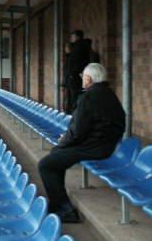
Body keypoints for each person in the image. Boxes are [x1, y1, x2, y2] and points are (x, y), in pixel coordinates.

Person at [38, 63, 125, 223]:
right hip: (105, 145)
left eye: (83, 77)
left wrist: (63, 140)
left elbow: (77, 131)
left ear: (89, 79)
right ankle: (58, 204)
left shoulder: (88, 97)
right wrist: (65, 142)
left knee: (45, 164)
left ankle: (66, 210)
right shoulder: (110, 94)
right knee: (56, 156)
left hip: (93, 148)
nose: (82, 80)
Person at [65, 30, 91, 114]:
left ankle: (73, 115)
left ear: (77, 37)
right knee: (73, 97)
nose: (71, 38)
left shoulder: (79, 47)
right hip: (76, 77)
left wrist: (73, 75)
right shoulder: (78, 47)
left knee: (74, 97)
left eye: (73, 36)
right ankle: (72, 114)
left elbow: (75, 63)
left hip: (75, 78)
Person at [61, 43, 72, 112]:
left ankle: (67, 112)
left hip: (69, 82)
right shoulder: (68, 57)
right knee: (68, 98)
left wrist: (63, 84)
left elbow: (66, 72)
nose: (65, 49)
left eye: (66, 48)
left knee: (68, 98)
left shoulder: (69, 58)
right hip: (69, 81)